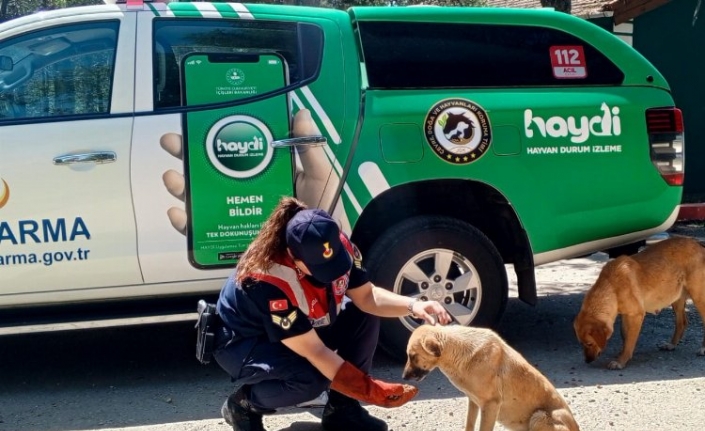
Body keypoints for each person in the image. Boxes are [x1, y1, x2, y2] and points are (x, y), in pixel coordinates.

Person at [213, 196, 452, 431]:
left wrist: (414, 305)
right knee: (311, 379)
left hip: (298, 330)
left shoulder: (334, 244)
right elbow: (314, 350)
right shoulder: (266, 279)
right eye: (319, 268)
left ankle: (342, 411)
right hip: (246, 342)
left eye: (334, 261)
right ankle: (242, 406)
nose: (329, 273)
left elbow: (367, 297)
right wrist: (369, 389)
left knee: (363, 314)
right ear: (293, 256)